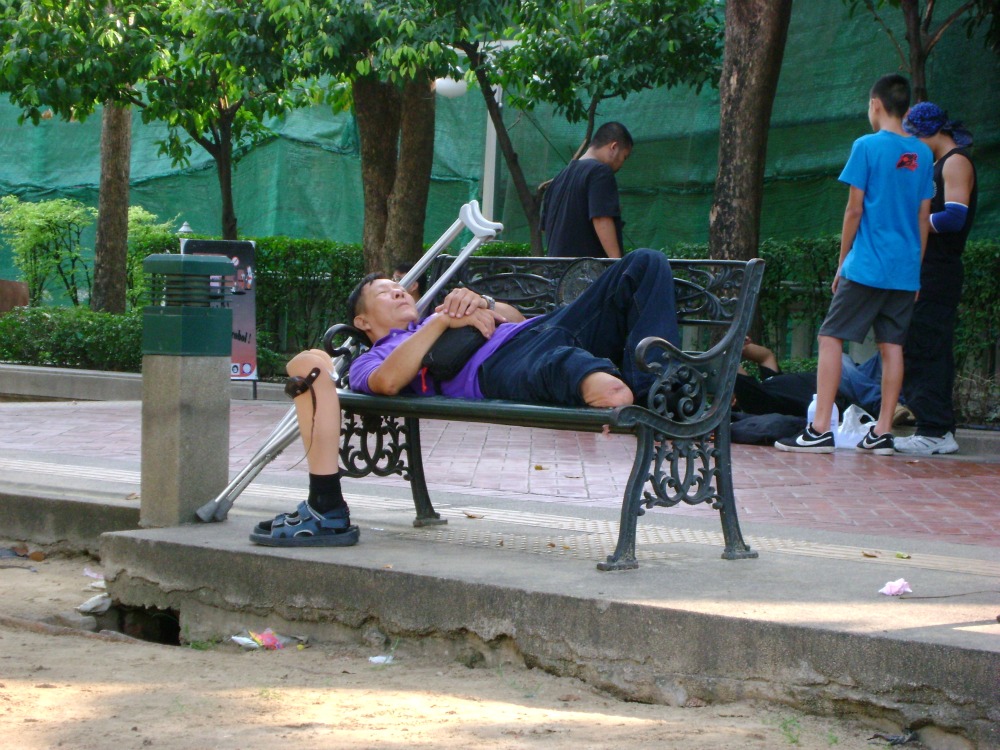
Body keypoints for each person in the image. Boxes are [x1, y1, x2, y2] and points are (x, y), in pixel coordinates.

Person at [251, 249, 680, 547]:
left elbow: (515, 319)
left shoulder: (448, 313)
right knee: (612, 392)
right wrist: (438, 323)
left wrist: (482, 303)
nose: (400, 291)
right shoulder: (374, 355)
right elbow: (385, 382)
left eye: (401, 288)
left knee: (644, 264)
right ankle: (651, 394)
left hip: (545, 330)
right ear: (362, 320)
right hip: (509, 368)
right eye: (385, 292)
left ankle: (657, 389)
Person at [776, 74, 933, 455]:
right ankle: (882, 433)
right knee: (891, 347)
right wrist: (916, 271)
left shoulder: (866, 146)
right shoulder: (925, 154)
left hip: (866, 265)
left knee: (830, 337)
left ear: (875, 104)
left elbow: (854, 209)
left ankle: (818, 429)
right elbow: (923, 215)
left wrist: (842, 261)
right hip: (904, 269)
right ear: (907, 109)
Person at [895, 102, 978, 456]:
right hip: (926, 267)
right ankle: (932, 425)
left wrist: (911, 225)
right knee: (918, 342)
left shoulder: (956, 162)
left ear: (931, 132)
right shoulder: (934, 163)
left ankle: (936, 429)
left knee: (928, 344)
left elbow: (954, 217)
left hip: (940, 268)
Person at [542, 122, 633, 258]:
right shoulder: (600, 172)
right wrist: (617, 265)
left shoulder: (558, 179)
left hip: (555, 274)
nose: (622, 164)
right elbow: (602, 219)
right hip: (586, 274)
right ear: (613, 147)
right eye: (624, 157)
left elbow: (545, 228)